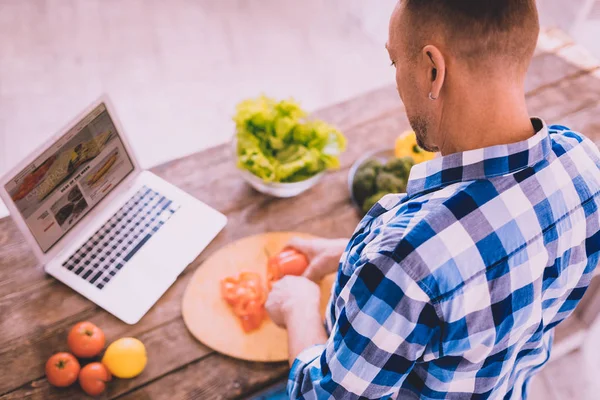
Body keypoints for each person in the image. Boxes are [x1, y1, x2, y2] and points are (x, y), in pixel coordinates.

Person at [265, 0, 600, 398]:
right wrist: (353, 256)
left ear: (433, 70)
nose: (396, 80)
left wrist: (299, 306)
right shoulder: (583, 164)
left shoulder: (404, 258)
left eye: (394, 63)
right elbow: (490, 268)